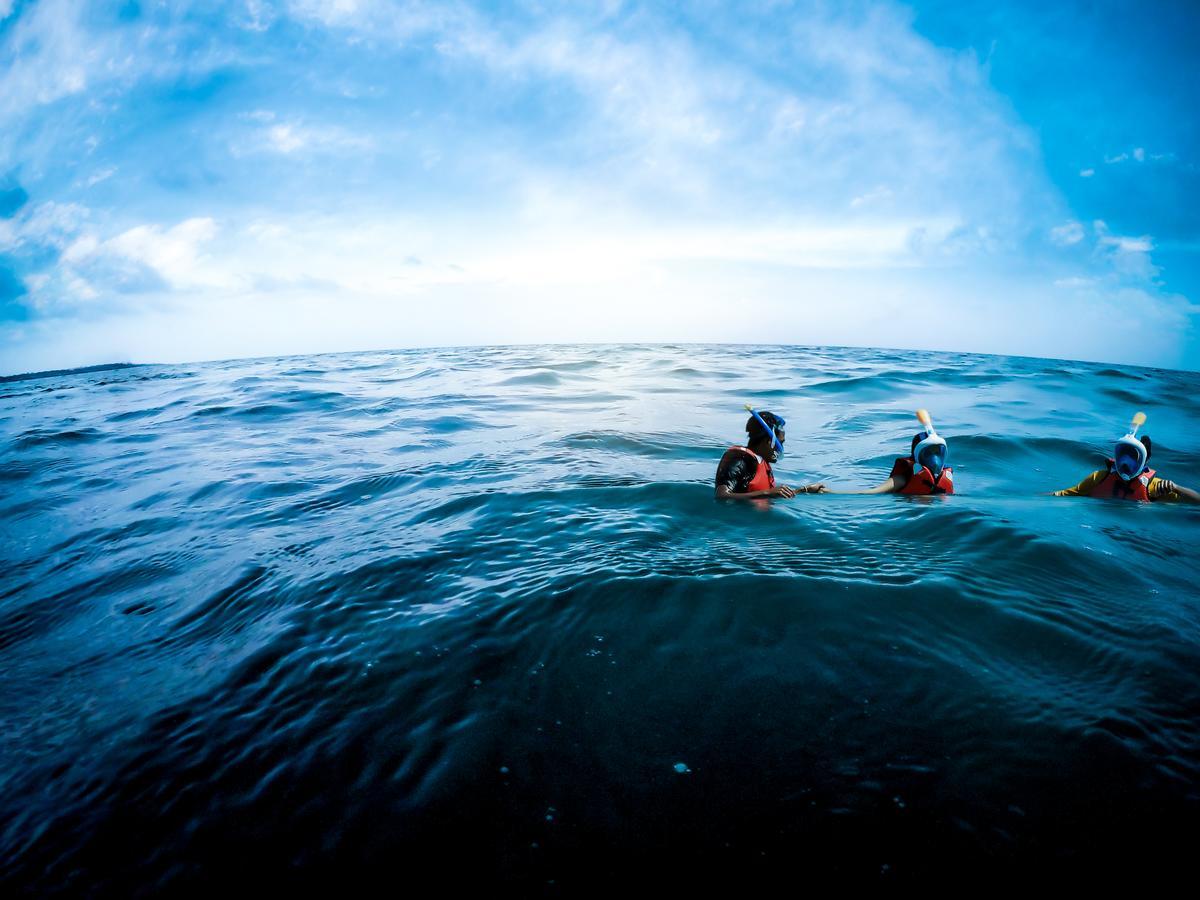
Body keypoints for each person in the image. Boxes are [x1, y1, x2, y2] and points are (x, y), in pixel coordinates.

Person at [1053, 412, 1200, 502]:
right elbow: (1063, 494)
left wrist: (1176, 488)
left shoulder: (1154, 487)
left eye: (1133, 456)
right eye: (1123, 453)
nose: (1125, 461)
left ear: (1145, 460)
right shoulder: (1099, 478)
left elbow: (1196, 502)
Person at [823, 409, 954, 495]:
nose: (935, 459)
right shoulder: (903, 479)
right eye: (928, 453)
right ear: (917, 456)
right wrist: (829, 492)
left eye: (939, 452)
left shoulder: (944, 477)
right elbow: (869, 492)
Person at [714, 407, 824, 500]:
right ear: (769, 442)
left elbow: (768, 494)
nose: (781, 449)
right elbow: (722, 496)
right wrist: (768, 493)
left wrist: (804, 490)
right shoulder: (740, 459)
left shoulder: (761, 461)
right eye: (780, 444)